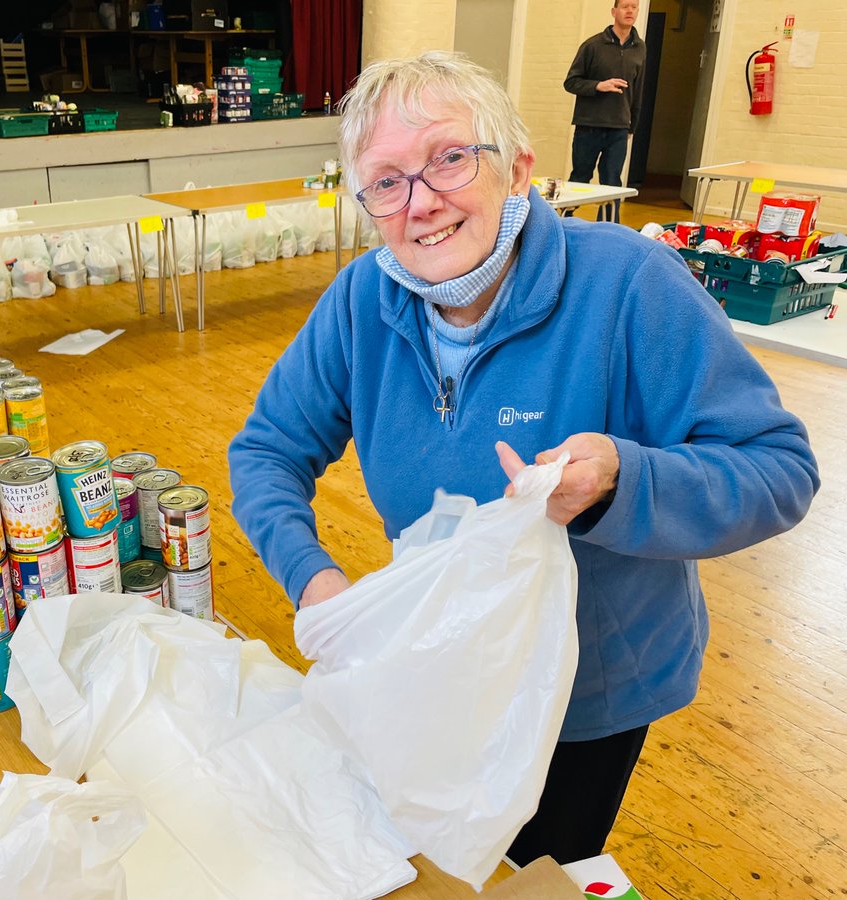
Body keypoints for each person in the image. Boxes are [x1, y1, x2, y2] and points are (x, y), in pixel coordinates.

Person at [227, 51, 818, 866]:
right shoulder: (366, 298)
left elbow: (778, 469)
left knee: (541, 869)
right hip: (439, 666)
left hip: (588, 692)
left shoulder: (629, 284)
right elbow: (266, 450)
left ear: (520, 169)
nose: (421, 203)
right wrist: (316, 584)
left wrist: (622, 479)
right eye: (387, 181)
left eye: (449, 159)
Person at [563, 0, 645, 223]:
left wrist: (632, 126)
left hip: (619, 128)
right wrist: (598, 86)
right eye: (625, 6)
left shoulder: (640, 48)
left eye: (634, 7)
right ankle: (561, 223)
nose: (630, 11)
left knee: (612, 183)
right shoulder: (592, 46)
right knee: (580, 177)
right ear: (614, 11)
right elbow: (571, 82)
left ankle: (609, 230)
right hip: (588, 126)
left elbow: (638, 90)